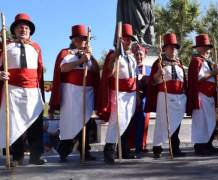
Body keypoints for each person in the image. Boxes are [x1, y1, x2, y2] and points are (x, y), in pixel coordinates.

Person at [0, 13, 46, 165]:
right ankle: (17, 157)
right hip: (12, 90)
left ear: (30, 31)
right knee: (14, 123)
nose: (23, 29)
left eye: (26, 27)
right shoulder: (5, 46)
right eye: (20, 27)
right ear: (14, 30)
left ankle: (36, 156)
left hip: (33, 90)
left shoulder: (36, 47)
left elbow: (40, 70)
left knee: (35, 124)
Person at [49, 24, 100, 162]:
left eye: (83, 39)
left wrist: (90, 57)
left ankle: (85, 151)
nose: (80, 41)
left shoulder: (89, 55)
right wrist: (80, 61)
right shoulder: (66, 53)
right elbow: (63, 69)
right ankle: (64, 150)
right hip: (71, 93)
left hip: (87, 92)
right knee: (70, 122)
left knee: (86, 122)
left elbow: (96, 70)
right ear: (72, 40)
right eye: (77, 39)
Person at [98, 23, 137, 164]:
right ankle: (109, 151)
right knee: (116, 121)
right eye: (126, 39)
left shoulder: (132, 58)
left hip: (131, 94)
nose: (129, 42)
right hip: (119, 92)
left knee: (126, 121)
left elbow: (135, 76)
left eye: (131, 39)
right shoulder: (114, 55)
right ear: (120, 40)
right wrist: (115, 57)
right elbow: (110, 72)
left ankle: (124, 149)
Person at [145, 33, 187, 158]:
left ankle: (175, 148)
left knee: (177, 123)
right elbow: (153, 82)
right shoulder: (159, 62)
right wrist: (159, 73)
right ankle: (157, 147)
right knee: (163, 122)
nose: (173, 49)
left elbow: (184, 81)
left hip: (179, 97)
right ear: (165, 49)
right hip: (165, 96)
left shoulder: (179, 63)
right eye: (170, 47)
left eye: (175, 47)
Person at [187, 34, 218, 155]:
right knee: (201, 122)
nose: (207, 50)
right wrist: (212, 73)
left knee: (210, 121)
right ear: (198, 48)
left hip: (210, 96)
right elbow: (197, 79)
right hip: (201, 96)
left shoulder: (209, 62)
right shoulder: (196, 61)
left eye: (208, 47)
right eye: (204, 47)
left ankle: (208, 144)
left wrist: (216, 74)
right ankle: (200, 146)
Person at [127, 44, 151, 154]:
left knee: (143, 121)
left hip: (144, 99)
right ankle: (129, 145)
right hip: (130, 98)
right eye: (136, 54)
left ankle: (141, 145)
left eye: (141, 54)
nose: (139, 57)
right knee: (130, 122)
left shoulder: (149, 69)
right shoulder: (129, 68)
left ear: (145, 55)